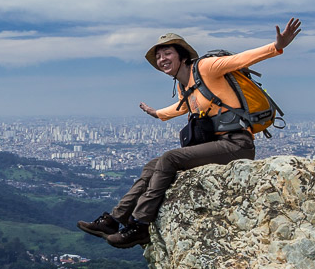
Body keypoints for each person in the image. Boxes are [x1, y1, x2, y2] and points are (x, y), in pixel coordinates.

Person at [78, 18, 301, 248]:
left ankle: (140, 225)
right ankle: (115, 220)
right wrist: (158, 113)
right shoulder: (185, 84)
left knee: (169, 158)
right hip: (217, 146)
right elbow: (183, 106)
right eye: (159, 57)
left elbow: (239, 60)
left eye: (167, 53)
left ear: (182, 55)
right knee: (154, 165)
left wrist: (277, 46)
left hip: (236, 145)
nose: (162, 59)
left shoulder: (205, 68)